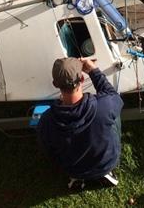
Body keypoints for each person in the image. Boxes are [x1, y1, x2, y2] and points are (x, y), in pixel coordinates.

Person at [37, 57, 124, 191]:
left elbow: (48, 151)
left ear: (55, 84)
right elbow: (114, 95)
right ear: (82, 79)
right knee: (114, 114)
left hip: (72, 169)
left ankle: (77, 178)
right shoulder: (104, 106)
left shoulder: (46, 120)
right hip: (106, 164)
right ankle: (104, 173)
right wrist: (93, 70)